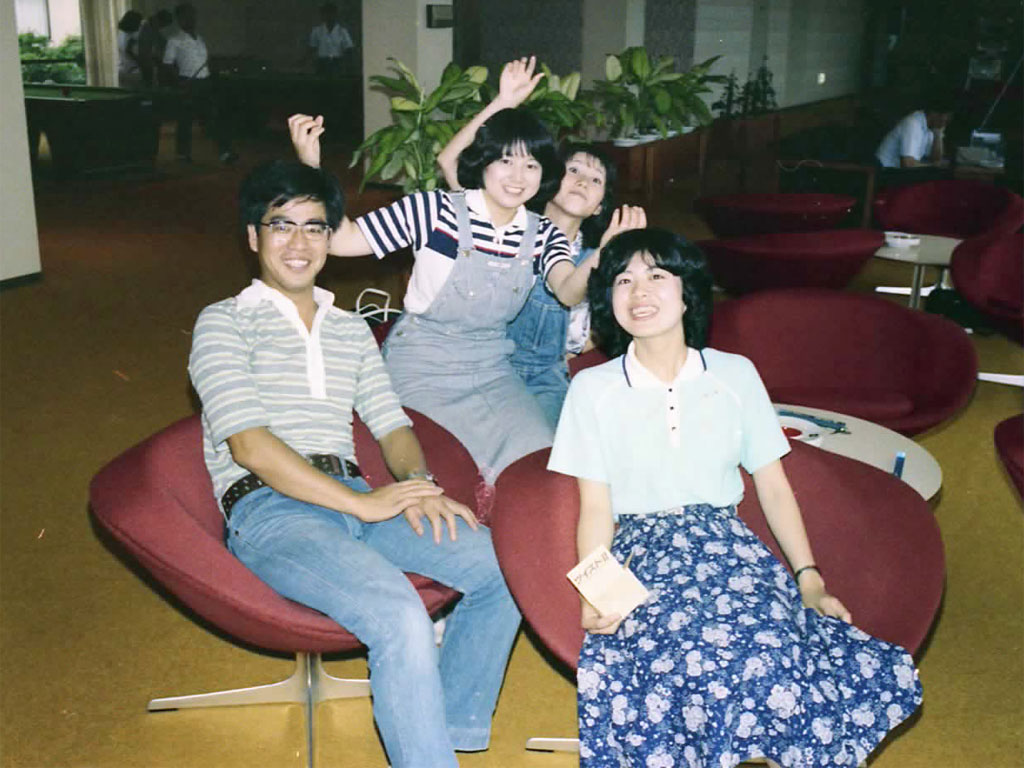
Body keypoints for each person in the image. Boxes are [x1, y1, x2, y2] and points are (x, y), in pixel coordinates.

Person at [188, 159, 521, 768]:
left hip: (355, 498)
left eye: (314, 227)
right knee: (398, 613)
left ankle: (444, 732)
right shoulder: (223, 321)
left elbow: (392, 424)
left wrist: (418, 486)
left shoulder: (348, 329)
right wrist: (361, 504)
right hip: (273, 512)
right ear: (253, 237)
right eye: (281, 225)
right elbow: (250, 446)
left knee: (502, 567)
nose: (299, 243)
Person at [549, 228, 923, 767]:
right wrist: (597, 591)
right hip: (644, 553)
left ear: (687, 293)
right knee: (691, 658)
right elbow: (595, 508)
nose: (639, 292)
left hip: (728, 546)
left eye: (657, 275)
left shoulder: (734, 374)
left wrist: (809, 578)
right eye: (623, 280)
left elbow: (773, 485)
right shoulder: (593, 387)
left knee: (774, 653)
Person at [288, 86, 604, 485]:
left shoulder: (542, 233)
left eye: (531, 165)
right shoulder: (434, 209)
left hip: (493, 370)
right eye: (505, 160)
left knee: (539, 465)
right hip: (420, 366)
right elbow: (342, 240)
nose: (517, 176)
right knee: (451, 475)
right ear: (483, 162)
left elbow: (568, 291)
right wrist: (311, 166)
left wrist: (601, 254)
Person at [437, 56, 644, 428]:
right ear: (548, 178)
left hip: (543, 378)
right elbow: (450, 160)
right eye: (573, 170)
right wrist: (503, 103)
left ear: (600, 205)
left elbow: (608, 318)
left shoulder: (596, 254)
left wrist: (579, 347)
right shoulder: (505, 220)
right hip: (486, 364)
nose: (582, 181)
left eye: (596, 180)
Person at [161, 2, 236, 163]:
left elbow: (204, 61)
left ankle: (224, 153)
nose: (192, 18)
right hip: (188, 83)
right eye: (188, 15)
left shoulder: (199, 38)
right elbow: (167, 64)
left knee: (214, 118)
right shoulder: (174, 40)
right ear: (179, 18)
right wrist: (179, 82)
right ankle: (182, 155)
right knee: (185, 120)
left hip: (205, 83)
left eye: (193, 15)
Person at [875, 94, 955, 168]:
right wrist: (933, 166)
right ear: (933, 113)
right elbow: (907, 164)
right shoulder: (912, 123)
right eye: (945, 117)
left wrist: (938, 135)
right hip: (883, 170)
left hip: (897, 171)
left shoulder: (932, 127)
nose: (946, 122)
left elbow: (936, 159)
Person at [308, 2, 354, 76]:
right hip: (322, 62)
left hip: (337, 63)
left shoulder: (342, 31)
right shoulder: (316, 31)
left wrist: (348, 64)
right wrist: (304, 61)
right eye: (326, 14)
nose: (329, 16)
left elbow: (349, 48)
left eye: (331, 14)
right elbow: (312, 48)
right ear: (323, 15)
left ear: (335, 15)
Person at [137, 9, 173, 88]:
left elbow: (163, 42)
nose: (162, 27)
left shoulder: (153, 28)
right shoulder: (146, 28)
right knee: (148, 84)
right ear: (159, 20)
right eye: (163, 25)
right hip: (144, 60)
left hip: (148, 60)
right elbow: (145, 49)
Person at [116, 11, 143, 89]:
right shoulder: (133, 36)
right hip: (134, 71)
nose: (140, 25)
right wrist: (141, 61)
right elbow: (129, 50)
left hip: (122, 70)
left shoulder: (121, 34)